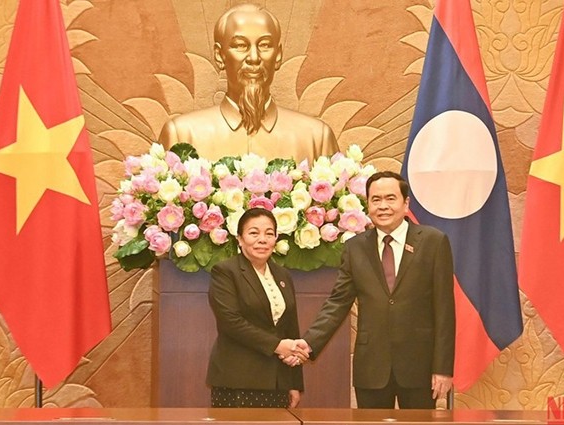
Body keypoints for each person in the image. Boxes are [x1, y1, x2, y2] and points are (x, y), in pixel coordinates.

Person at [297, 171, 455, 409]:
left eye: (390, 199)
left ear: (405, 203)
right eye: (376, 199)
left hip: (419, 366)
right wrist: (309, 344)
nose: (383, 206)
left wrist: (442, 368)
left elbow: (445, 310)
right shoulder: (355, 248)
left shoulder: (433, 242)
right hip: (372, 367)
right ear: (368, 204)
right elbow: (338, 303)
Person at [159, 4, 339, 164]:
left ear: (278, 56)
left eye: (265, 45)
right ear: (219, 56)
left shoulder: (317, 139)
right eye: (240, 45)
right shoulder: (181, 135)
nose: (254, 58)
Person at [207, 207, 309, 408]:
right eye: (254, 233)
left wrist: (294, 383)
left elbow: (290, 329)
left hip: (278, 382)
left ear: (276, 238)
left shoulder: (283, 275)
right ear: (240, 238)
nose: (262, 239)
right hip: (238, 380)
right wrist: (278, 346)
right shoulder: (226, 272)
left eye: (269, 233)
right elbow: (231, 323)